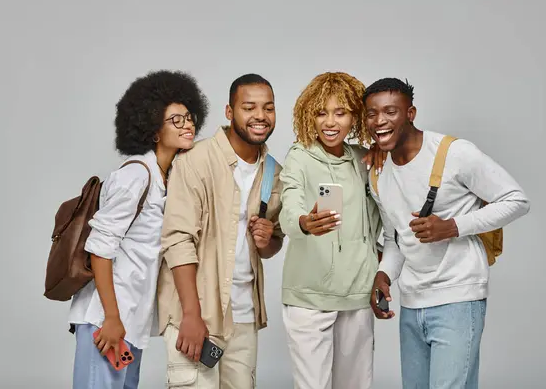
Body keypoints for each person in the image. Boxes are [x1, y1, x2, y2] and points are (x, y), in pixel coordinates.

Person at [365, 77, 531, 389]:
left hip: (458, 297)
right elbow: (395, 239)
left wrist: (453, 226)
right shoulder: (378, 171)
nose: (380, 121)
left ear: (410, 113)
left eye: (390, 112)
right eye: (372, 114)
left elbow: (517, 200)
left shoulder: (454, 153)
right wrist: (384, 274)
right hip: (412, 304)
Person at [68, 70, 209, 389]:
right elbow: (99, 251)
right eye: (176, 120)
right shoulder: (136, 177)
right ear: (154, 130)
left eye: (189, 117)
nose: (188, 124)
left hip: (131, 319)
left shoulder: (165, 179)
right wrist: (112, 319)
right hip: (107, 320)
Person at [157, 73, 285, 388]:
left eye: (268, 108)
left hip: (244, 317)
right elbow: (177, 240)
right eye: (249, 107)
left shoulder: (273, 172)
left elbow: (272, 245)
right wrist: (191, 314)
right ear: (229, 112)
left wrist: (267, 241)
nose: (260, 116)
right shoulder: (196, 160)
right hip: (196, 313)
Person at [278, 72, 383, 389]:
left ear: (355, 116)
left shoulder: (362, 159)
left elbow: (381, 213)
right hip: (310, 297)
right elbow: (289, 204)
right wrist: (303, 223)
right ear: (310, 113)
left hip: (357, 293)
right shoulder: (300, 156)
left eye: (341, 112)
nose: (330, 122)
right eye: (321, 112)